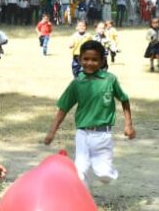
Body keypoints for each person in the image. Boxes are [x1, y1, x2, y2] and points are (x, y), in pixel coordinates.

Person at [43, 40, 136, 188]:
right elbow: (63, 109)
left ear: (101, 61)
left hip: (103, 135)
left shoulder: (109, 80)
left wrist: (128, 125)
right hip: (83, 134)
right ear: (79, 59)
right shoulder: (77, 83)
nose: (89, 63)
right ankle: (81, 199)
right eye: (85, 59)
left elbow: (124, 100)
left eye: (94, 59)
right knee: (81, 171)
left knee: (104, 174)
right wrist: (51, 132)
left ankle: (102, 168)